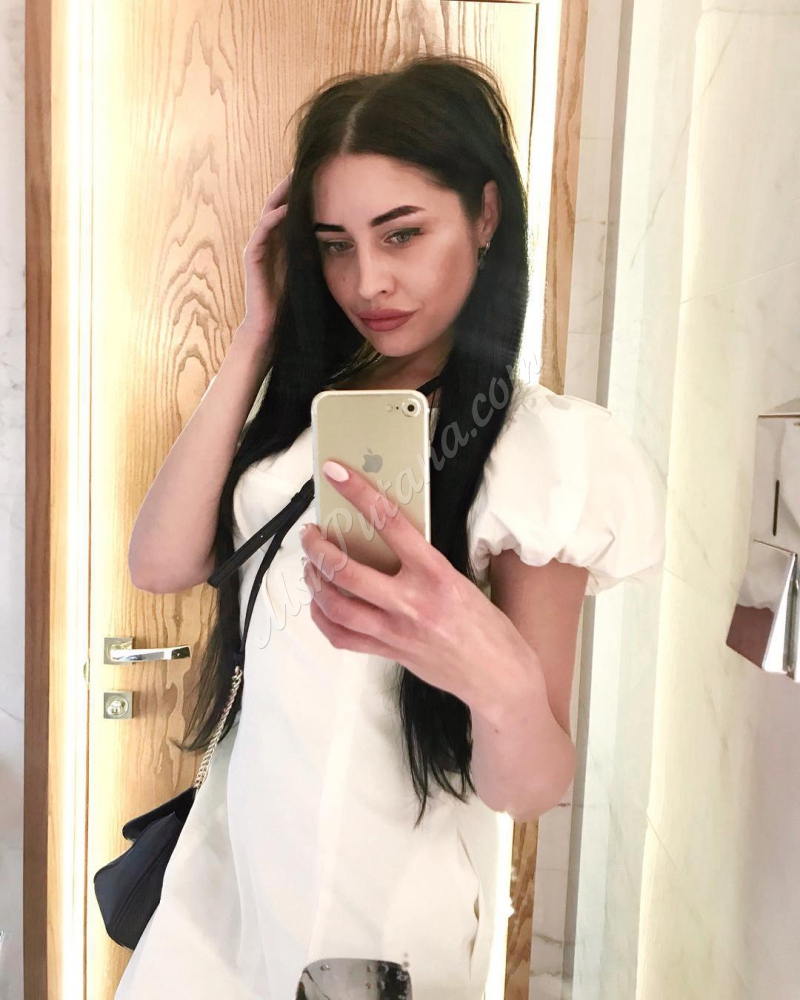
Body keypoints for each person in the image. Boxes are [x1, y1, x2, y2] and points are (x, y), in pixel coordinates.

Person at [118, 53, 665, 1000]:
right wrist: (255, 333)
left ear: (485, 215)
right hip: (225, 888)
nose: (366, 280)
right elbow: (161, 562)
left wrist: (486, 664)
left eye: (402, 233)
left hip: (375, 927)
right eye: (334, 245)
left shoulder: (540, 450)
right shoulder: (311, 406)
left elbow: (529, 786)